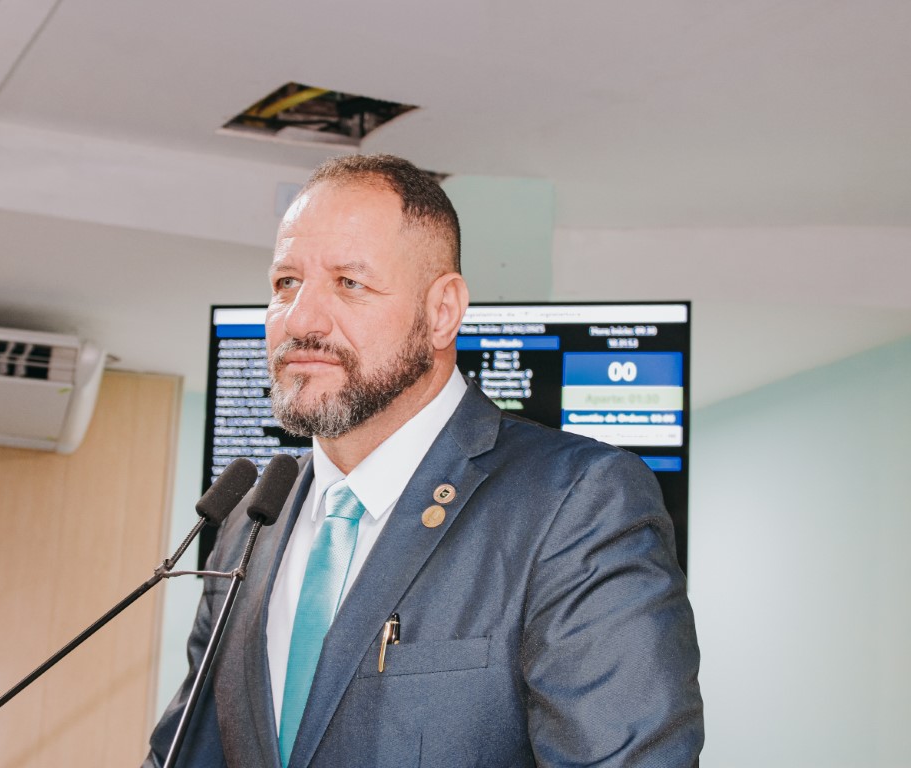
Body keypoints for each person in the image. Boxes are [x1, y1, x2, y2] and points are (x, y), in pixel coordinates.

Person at [145, 154, 703, 767]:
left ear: (442, 312)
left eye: (349, 283)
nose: (300, 319)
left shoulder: (577, 503)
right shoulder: (248, 524)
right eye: (285, 283)